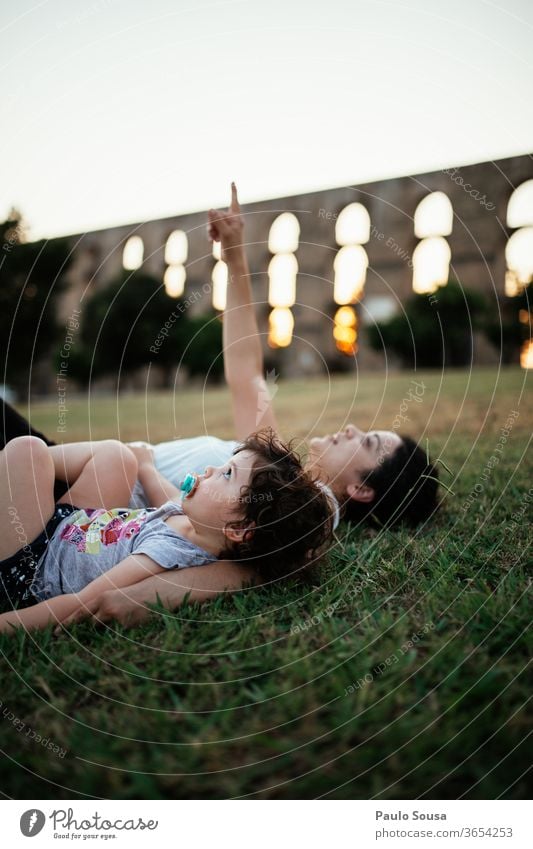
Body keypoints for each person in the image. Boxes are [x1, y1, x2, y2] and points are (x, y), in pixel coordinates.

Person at [0, 183, 439, 628]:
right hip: (84, 503)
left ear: (363, 490)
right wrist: (233, 256)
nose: (351, 428)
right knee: (86, 454)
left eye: (368, 443)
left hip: (74, 521)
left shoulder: (299, 512)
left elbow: (256, 566)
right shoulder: (274, 468)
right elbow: (247, 371)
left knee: (31, 453)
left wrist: (148, 593)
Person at [0, 429, 332, 633]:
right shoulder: (194, 518)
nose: (211, 469)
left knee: (26, 451)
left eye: (227, 474)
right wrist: (144, 465)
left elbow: (81, 603)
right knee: (117, 456)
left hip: (33, 567)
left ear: (239, 528)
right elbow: (168, 497)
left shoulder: (168, 554)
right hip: (69, 524)